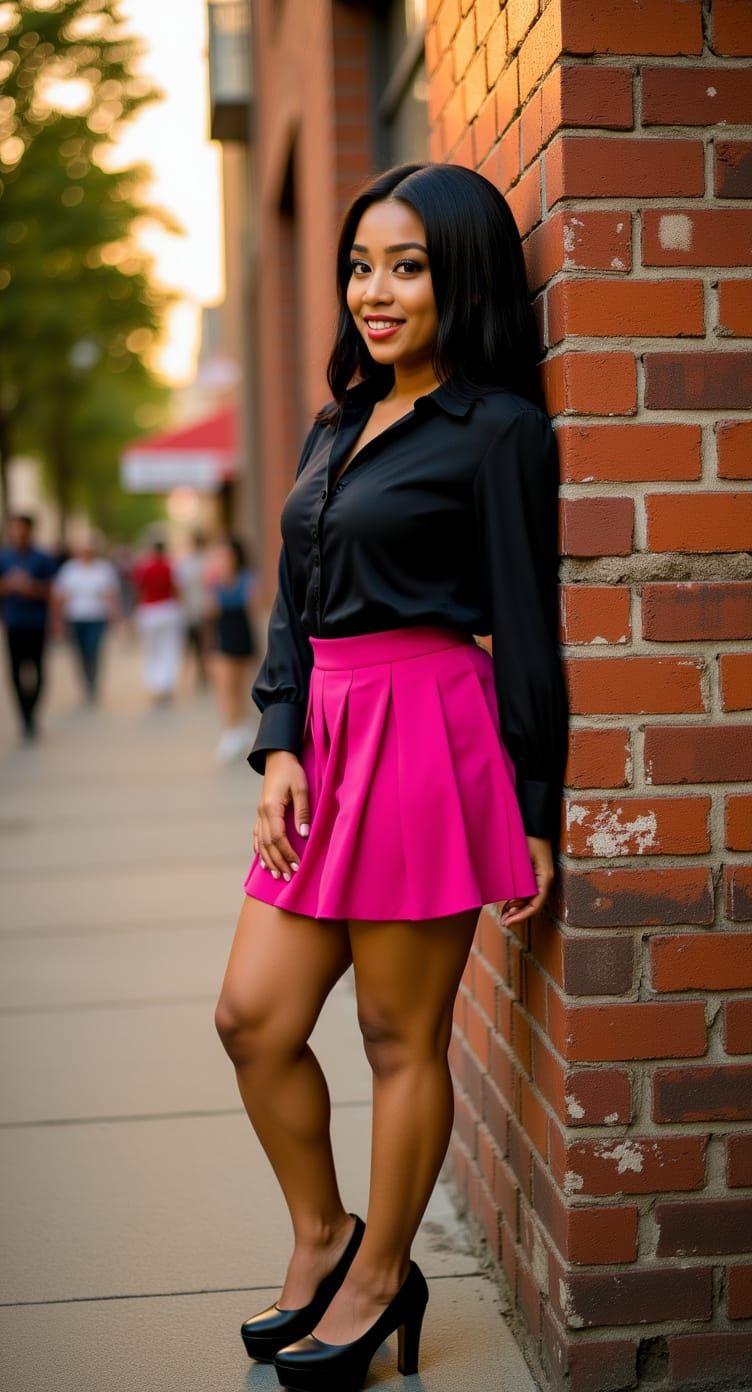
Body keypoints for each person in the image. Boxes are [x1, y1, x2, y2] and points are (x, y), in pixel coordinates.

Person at [214, 163, 569, 1392]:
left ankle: (379, 1281)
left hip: (425, 729)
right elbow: (293, 609)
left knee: (391, 1031)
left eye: (404, 266)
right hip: (326, 737)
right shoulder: (333, 421)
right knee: (251, 1018)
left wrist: (533, 812)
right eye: (361, 264)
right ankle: (325, 1237)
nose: (373, 290)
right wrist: (277, 742)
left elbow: (527, 628)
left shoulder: (498, 430)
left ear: (458, 274)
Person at [0, 513, 58, 741]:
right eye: (13, 528)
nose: (17, 533)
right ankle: (25, 718)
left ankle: (32, 711)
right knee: (14, 672)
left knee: (38, 670)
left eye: (21, 528)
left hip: (37, 622)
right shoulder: (4, 557)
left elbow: (53, 590)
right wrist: (10, 584)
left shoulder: (42, 558)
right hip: (13, 622)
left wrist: (31, 588)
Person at [51, 533, 120, 702]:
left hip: (96, 616)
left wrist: (114, 613)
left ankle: (93, 683)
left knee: (94, 650)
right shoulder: (69, 570)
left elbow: (110, 593)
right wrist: (57, 619)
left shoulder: (103, 569)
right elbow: (60, 595)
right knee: (79, 653)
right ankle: (85, 683)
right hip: (75, 617)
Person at [208, 536, 259, 762]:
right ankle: (230, 732)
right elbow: (210, 613)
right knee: (224, 688)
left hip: (242, 635)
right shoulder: (214, 581)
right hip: (222, 636)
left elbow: (253, 609)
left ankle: (241, 730)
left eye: (226, 555)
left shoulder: (247, 579)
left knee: (240, 689)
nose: (222, 559)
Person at [131, 538, 184, 703]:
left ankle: (155, 685)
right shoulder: (170, 567)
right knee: (169, 648)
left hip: (149, 611)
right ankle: (166, 684)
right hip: (168, 609)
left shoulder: (144, 568)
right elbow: (177, 589)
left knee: (152, 650)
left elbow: (138, 590)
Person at [176, 531, 211, 688]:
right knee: (204, 642)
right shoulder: (207, 561)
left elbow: (181, 589)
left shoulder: (187, 564)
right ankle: (203, 672)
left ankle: (196, 673)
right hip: (205, 607)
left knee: (192, 643)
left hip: (192, 609)